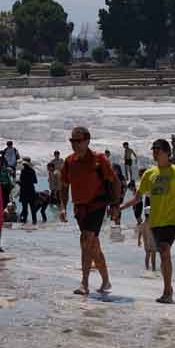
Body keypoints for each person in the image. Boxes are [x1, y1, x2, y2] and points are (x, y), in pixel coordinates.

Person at [120, 138, 175, 303]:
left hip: (171, 221)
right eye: (153, 150)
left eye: (158, 150)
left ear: (167, 152)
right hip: (155, 222)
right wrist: (120, 208)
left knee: (164, 250)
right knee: (162, 254)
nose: (155, 153)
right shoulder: (149, 174)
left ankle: (167, 292)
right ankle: (168, 287)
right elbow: (137, 198)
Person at [59, 126, 121, 296]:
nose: (75, 144)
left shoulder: (99, 159)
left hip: (97, 205)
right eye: (72, 141)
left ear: (87, 141)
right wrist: (63, 207)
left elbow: (114, 182)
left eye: (78, 141)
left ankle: (84, 284)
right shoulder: (69, 161)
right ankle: (106, 280)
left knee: (85, 239)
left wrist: (115, 205)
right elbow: (64, 186)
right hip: (80, 208)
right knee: (93, 246)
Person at [18, 158, 39, 224]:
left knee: (25, 208)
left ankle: (24, 221)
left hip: (24, 192)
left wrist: (18, 182)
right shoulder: (32, 171)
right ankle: (34, 221)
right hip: (31, 191)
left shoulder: (23, 171)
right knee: (33, 208)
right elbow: (35, 181)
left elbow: (21, 182)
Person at [137, 206, 156, 271]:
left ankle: (147, 268)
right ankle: (153, 268)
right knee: (153, 255)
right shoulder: (153, 223)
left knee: (147, 254)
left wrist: (139, 241)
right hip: (153, 241)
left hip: (146, 242)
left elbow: (140, 233)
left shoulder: (142, 224)